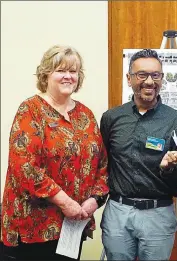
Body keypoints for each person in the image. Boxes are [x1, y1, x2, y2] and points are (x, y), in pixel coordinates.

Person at [1, 45, 109, 260]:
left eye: (73, 71)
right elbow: (24, 167)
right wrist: (66, 203)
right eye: (61, 70)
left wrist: (94, 201)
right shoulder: (30, 110)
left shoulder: (85, 114)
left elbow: (102, 165)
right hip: (33, 227)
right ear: (46, 75)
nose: (68, 76)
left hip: (73, 224)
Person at [100, 49, 177, 261]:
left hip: (158, 215)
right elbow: (102, 164)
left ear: (162, 78)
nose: (149, 81)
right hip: (118, 212)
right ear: (129, 79)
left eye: (156, 75)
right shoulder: (112, 118)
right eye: (142, 75)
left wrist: (169, 167)